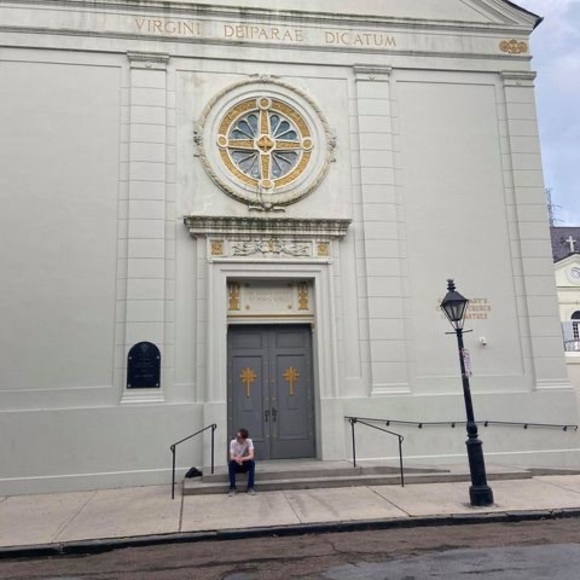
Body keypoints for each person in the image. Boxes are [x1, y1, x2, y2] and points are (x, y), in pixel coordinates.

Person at [228, 428, 256, 495]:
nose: (237, 438)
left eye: (239, 437)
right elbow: (231, 457)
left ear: (244, 438)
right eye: (236, 436)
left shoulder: (249, 441)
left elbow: (251, 455)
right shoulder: (233, 442)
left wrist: (242, 459)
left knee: (252, 463)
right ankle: (233, 488)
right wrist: (237, 459)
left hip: (244, 463)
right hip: (236, 463)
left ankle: (250, 488)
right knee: (231, 464)